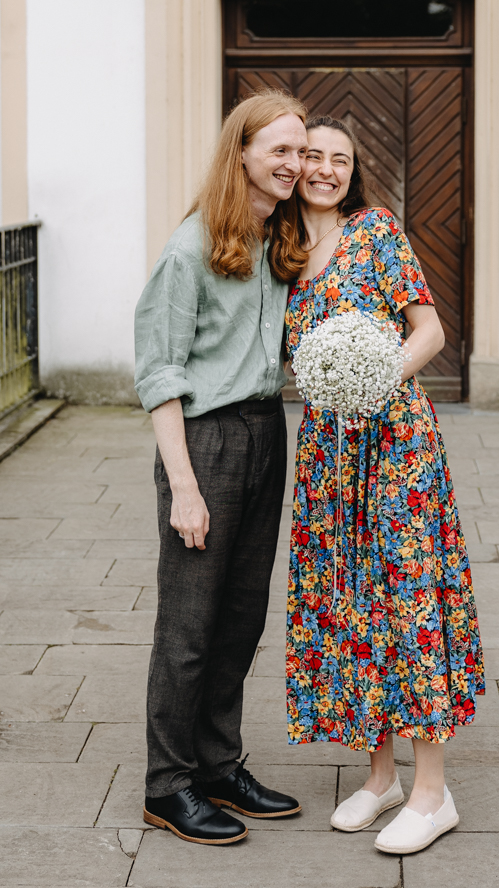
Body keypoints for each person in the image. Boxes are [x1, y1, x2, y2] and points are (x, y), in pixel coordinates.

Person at [284, 116, 484, 855]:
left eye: (340, 159)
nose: (326, 169)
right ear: (293, 165)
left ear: (352, 171)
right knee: (348, 599)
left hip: (396, 441)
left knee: (406, 595)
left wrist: (375, 377)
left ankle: (433, 792)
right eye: (313, 156)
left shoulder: (377, 232)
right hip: (326, 454)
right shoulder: (279, 248)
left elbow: (427, 330)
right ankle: (380, 778)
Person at [134, 90, 310, 846]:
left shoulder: (278, 239)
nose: (294, 164)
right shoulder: (190, 247)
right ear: (239, 151)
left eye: (300, 151)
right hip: (204, 443)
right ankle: (167, 785)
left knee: (241, 617)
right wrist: (183, 488)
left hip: (267, 434)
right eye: (279, 149)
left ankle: (217, 764)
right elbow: (159, 374)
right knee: (189, 628)